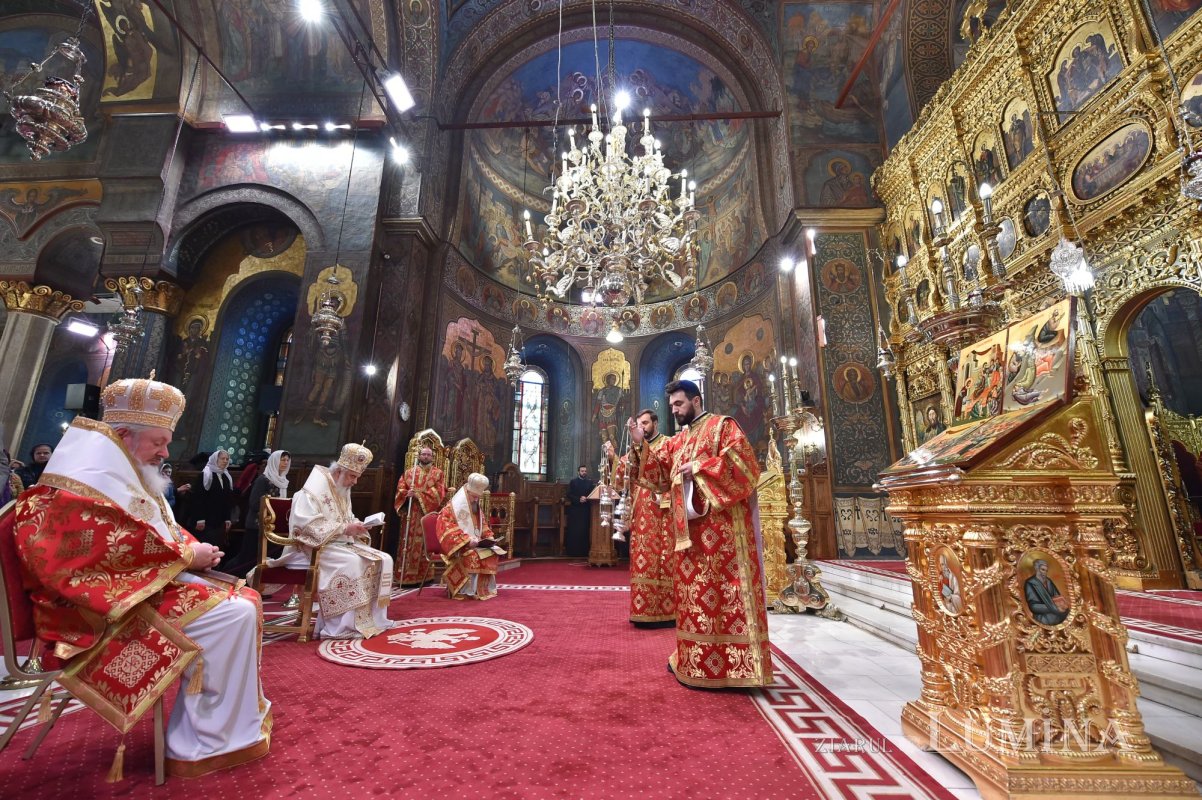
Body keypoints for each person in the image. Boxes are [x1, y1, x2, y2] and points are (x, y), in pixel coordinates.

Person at [13, 375, 270, 778]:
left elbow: (154, 528)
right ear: (122, 434)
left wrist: (194, 554)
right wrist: (187, 554)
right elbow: (93, 553)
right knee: (232, 614)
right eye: (158, 442)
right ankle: (201, 742)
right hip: (88, 613)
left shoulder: (123, 472)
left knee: (245, 600)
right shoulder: (79, 483)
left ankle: (229, 727)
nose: (165, 452)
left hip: (131, 590)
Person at [628, 379, 771, 689]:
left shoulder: (723, 427)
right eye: (672, 406)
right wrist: (641, 444)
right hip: (689, 538)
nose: (675, 410)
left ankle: (737, 667)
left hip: (724, 538)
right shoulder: (680, 439)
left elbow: (746, 467)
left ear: (695, 400)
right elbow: (658, 474)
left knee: (724, 597)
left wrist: (701, 468)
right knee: (695, 601)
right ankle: (695, 659)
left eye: (679, 404)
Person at [276, 443, 396, 639]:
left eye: (357, 477)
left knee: (382, 559)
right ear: (339, 470)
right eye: (352, 476)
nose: (355, 482)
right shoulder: (312, 491)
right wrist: (344, 528)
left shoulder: (341, 487)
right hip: (310, 547)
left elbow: (345, 518)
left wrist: (357, 525)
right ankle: (342, 625)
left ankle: (369, 620)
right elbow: (302, 527)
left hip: (336, 544)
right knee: (352, 562)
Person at [607, 409, 675, 628]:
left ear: (655, 423)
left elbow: (666, 470)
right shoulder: (635, 450)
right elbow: (621, 479)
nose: (642, 427)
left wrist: (639, 445)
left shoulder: (667, 444)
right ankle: (643, 611)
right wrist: (612, 458)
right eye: (639, 424)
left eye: (645, 423)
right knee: (642, 560)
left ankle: (669, 613)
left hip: (664, 512)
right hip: (641, 512)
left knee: (665, 560)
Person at [436, 473, 505, 600]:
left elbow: (483, 526)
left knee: (490, 553)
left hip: (475, 544)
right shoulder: (451, 509)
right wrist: (466, 541)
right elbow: (445, 528)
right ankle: (467, 591)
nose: (476, 500)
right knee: (473, 555)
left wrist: (489, 538)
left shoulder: (475, 508)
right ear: (467, 493)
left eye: (478, 497)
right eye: (474, 497)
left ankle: (480, 590)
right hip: (460, 547)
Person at [224, 450, 291, 578]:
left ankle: (258, 583)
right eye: (283, 460)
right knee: (249, 557)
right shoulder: (263, 480)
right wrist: (272, 506)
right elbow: (254, 503)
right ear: (275, 461)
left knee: (267, 557)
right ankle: (229, 577)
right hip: (257, 525)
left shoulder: (283, 481)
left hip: (272, 526)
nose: (285, 463)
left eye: (287, 460)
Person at [393, 445, 447, 585]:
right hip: (410, 514)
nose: (426, 457)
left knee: (424, 543)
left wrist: (419, 495)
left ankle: (424, 576)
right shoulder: (409, 473)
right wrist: (406, 494)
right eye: (423, 454)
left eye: (428, 455)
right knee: (408, 543)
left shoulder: (437, 473)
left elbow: (439, 492)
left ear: (432, 457)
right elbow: (400, 489)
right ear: (419, 455)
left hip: (426, 514)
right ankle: (405, 576)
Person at [187, 449, 236, 549]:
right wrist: (200, 519)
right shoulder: (206, 475)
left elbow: (227, 499)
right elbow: (198, 498)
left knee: (216, 546)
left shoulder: (226, 476)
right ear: (215, 459)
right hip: (206, 519)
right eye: (222, 458)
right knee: (205, 545)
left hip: (219, 520)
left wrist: (228, 518)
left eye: (227, 459)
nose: (225, 461)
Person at [1024, 558, 1070, 625]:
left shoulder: (1048, 581)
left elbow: (1057, 597)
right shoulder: (1031, 583)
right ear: (1037, 569)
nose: (1044, 573)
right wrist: (1054, 608)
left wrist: (1063, 604)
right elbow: (1033, 606)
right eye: (1042, 570)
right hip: (1043, 618)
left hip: (1058, 615)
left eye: (1046, 571)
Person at [565, 464, 595, 557]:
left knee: (584, 530)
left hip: (585, 509)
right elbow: (569, 494)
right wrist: (579, 499)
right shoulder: (573, 482)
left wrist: (586, 498)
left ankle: (584, 552)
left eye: (585, 471)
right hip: (575, 510)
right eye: (582, 471)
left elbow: (592, 494)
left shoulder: (590, 483)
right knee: (574, 531)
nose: (584, 472)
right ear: (578, 472)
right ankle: (572, 552)